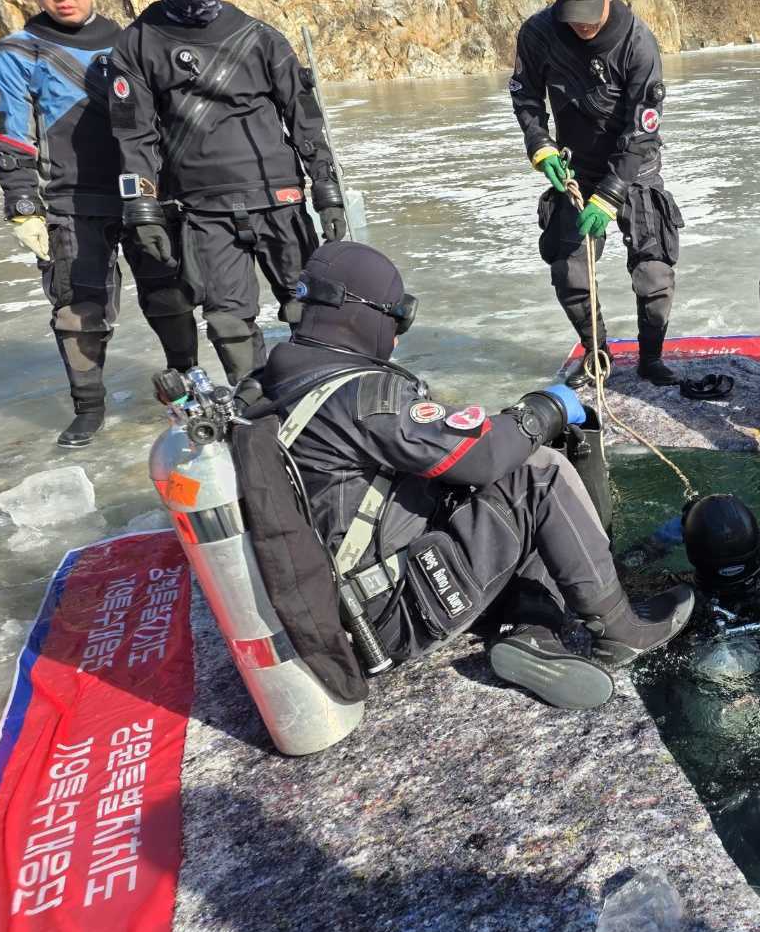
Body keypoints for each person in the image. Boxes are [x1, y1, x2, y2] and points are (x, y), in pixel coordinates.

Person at [253, 241, 695, 710]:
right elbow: (480, 457)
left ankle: (529, 629)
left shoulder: (273, 380)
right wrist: (541, 410)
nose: (399, 335)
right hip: (392, 614)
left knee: (510, 482)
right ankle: (621, 631)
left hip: (353, 599)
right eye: (397, 317)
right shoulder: (362, 396)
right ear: (362, 314)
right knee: (538, 474)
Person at [110, 0, 345, 385]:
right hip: (203, 209)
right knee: (228, 320)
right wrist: (143, 211)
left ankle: (324, 389)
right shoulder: (138, 44)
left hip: (279, 196)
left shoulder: (260, 38)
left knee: (308, 304)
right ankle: (256, 406)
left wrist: (326, 189)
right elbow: (134, 134)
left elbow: (304, 119)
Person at [0, 0, 195, 447]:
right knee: (76, 307)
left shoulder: (133, 40)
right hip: (69, 202)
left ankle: (189, 384)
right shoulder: (15, 53)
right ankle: (89, 406)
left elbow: (172, 121)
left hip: (146, 195)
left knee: (168, 295)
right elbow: (10, 131)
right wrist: (21, 202)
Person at [509, 0, 683, 389]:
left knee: (654, 274)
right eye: (574, 13)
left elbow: (642, 129)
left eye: (591, 10)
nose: (583, 25)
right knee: (569, 271)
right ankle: (597, 352)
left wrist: (611, 193)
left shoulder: (637, 43)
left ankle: (650, 358)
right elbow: (525, 95)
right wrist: (541, 146)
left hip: (634, 168)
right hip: (573, 171)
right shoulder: (539, 34)